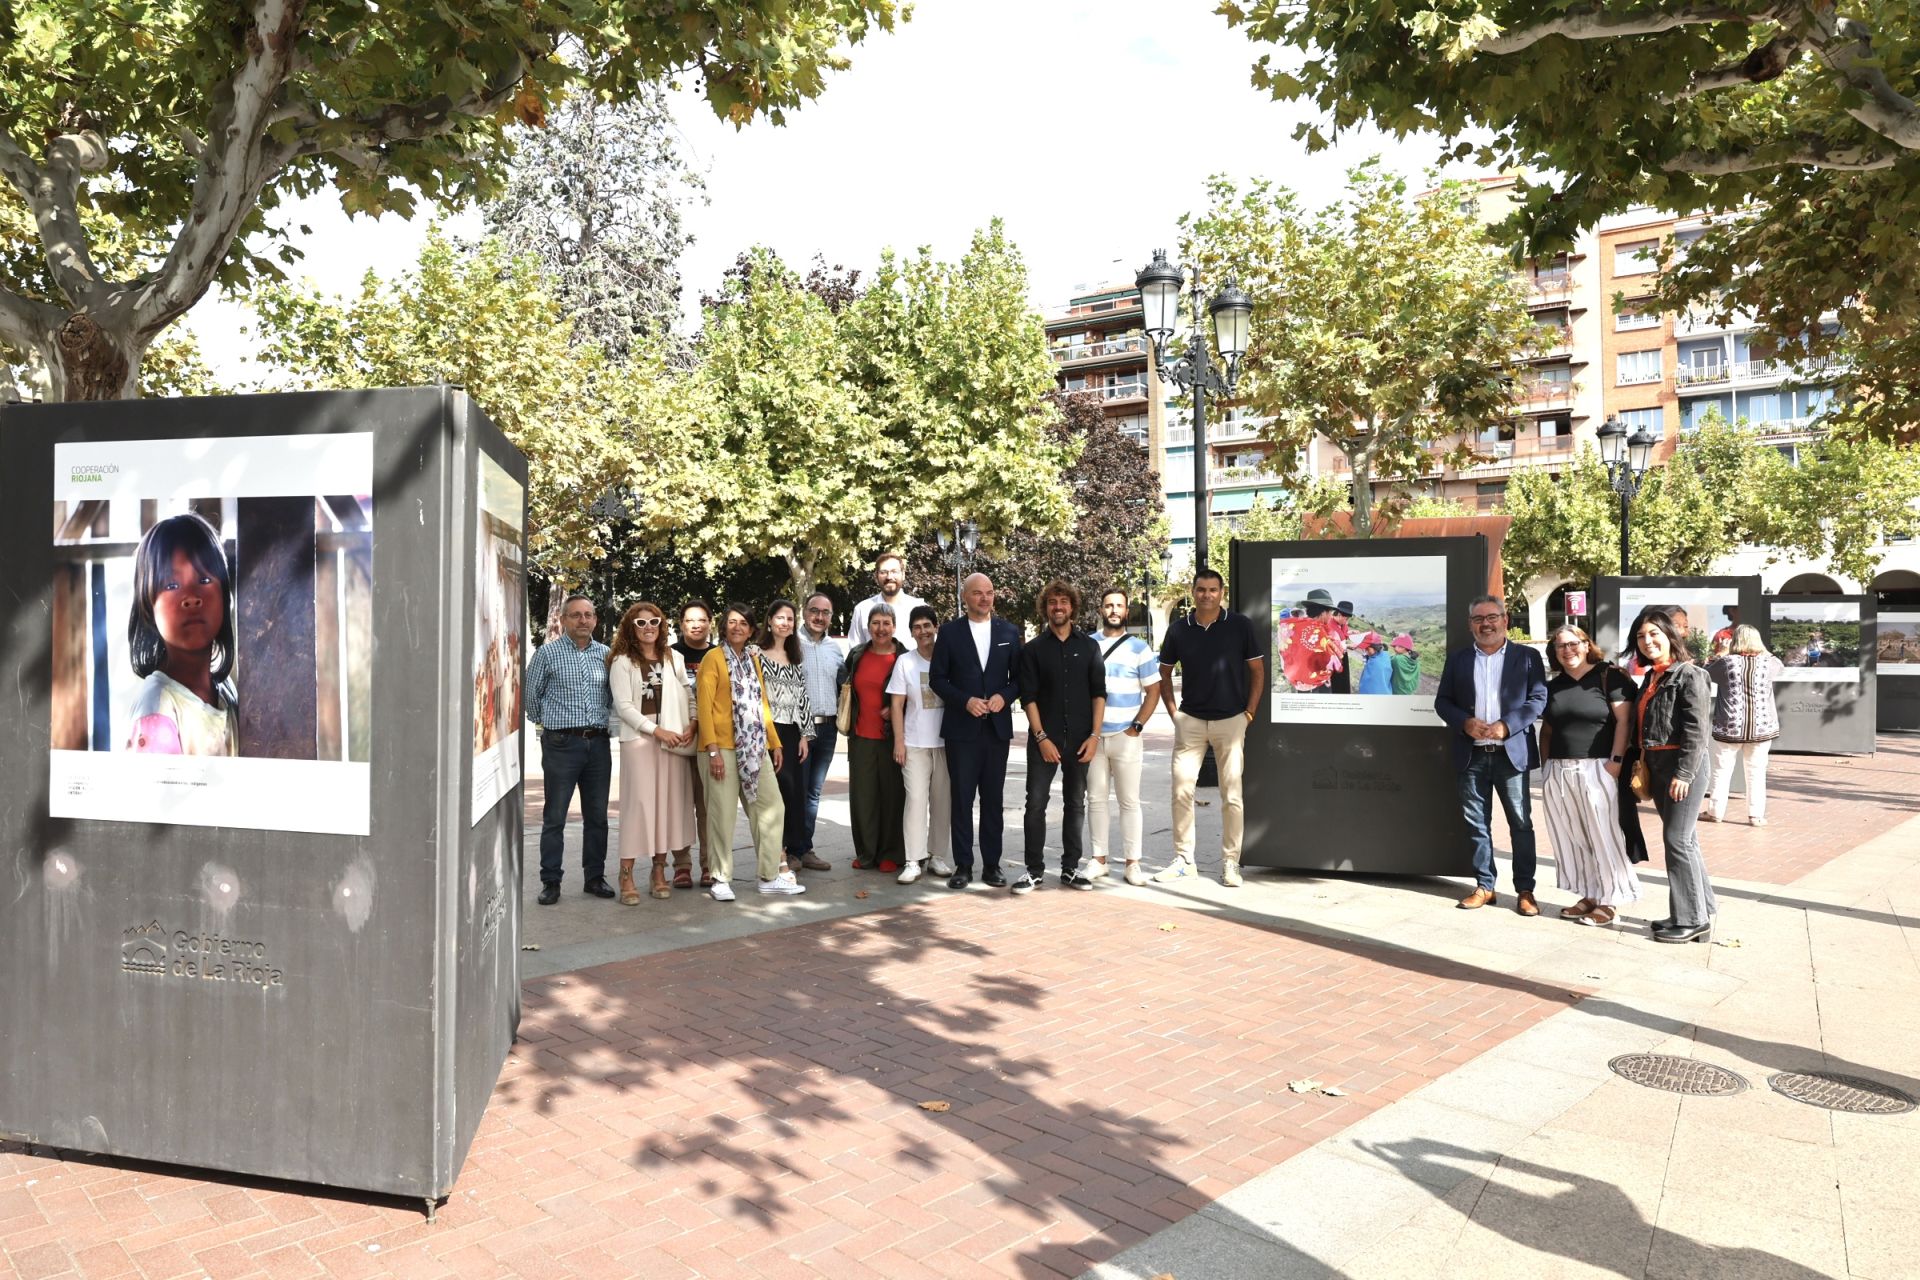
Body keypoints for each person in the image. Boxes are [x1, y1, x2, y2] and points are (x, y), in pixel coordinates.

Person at [1434, 594, 1549, 915]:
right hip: (1471, 755)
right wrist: (1464, 722)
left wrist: (1507, 726)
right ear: (1471, 625)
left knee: (1521, 824)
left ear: (1505, 619)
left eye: (1492, 617)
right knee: (1476, 824)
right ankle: (1485, 886)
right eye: (1478, 619)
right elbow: (1442, 702)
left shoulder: (1527, 657)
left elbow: (1538, 699)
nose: (1486, 624)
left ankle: (1525, 890)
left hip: (1510, 755)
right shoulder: (1457, 659)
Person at [1155, 567, 1265, 887]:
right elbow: (1163, 673)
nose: (1207, 595)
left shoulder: (1239, 626)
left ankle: (1231, 862)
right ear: (1193, 593)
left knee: (1232, 795)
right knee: (1181, 790)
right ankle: (1184, 860)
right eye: (1201, 589)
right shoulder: (1178, 630)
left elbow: (1257, 671)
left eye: (1213, 590)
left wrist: (1249, 714)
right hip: (1190, 721)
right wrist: (1175, 713)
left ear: (1222, 593)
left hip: (1231, 721)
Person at [696, 604, 806, 901]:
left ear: (751, 629)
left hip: (754, 746)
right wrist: (712, 751)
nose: (737, 628)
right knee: (722, 815)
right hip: (721, 748)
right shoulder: (713, 659)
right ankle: (720, 878)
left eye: (743, 623)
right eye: (732, 622)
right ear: (724, 626)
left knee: (772, 808)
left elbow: (761, 705)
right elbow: (704, 709)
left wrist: (775, 742)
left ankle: (769, 876)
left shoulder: (752, 659)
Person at [1538, 625, 1638, 928]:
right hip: (1559, 770)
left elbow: (1625, 721)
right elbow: (1549, 730)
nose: (1567, 650)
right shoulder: (1554, 686)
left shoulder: (1610, 676)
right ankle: (1591, 894)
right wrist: (1546, 768)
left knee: (1603, 834)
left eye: (1573, 644)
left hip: (1598, 768)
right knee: (1574, 836)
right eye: (1560, 646)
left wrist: (1616, 762)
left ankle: (1612, 899)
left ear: (1586, 645)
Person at [1626, 610, 1716, 942]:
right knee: (1685, 840)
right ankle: (1698, 909)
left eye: (1653, 634)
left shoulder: (1689, 675)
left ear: (1669, 636)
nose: (1647, 641)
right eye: (1640, 636)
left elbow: (1697, 730)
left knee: (1677, 840)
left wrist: (1685, 773)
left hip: (1682, 766)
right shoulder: (1654, 677)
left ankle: (1693, 920)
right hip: (1659, 766)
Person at [930, 572, 1023, 891]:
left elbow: (1020, 680)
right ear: (965, 597)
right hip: (961, 728)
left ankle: (993, 865)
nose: (985, 598)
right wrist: (965, 701)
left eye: (990, 592)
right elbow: (937, 679)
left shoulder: (1009, 631)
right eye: (978, 593)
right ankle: (963, 865)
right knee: (961, 799)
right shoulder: (950, 633)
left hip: (996, 730)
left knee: (993, 800)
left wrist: (1004, 696)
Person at [1016, 581, 1107, 893]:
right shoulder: (1033, 650)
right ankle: (1034, 870)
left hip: (1081, 739)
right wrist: (1041, 737)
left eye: (1063, 601)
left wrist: (1095, 736)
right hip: (1045, 739)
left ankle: (1070, 868)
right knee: (1035, 804)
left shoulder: (1090, 647)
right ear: (1045, 608)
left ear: (1072, 607)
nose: (1058, 607)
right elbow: (1027, 697)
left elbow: (1099, 694)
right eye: (1052, 602)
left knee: (1075, 803)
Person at [525, 594, 615, 905]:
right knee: (555, 817)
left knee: (597, 817)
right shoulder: (547, 655)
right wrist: (554, 726)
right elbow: (531, 699)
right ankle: (551, 880)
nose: (583, 620)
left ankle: (594, 877)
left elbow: (612, 698)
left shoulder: (606, 655)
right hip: (561, 744)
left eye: (588, 615)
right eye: (576, 615)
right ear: (563, 619)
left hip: (598, 745)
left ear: (595, 620)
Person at [125, 512, 238, 756]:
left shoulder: (227, 692)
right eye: (172, 585)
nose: (191, 598)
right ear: (148, 606)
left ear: (225, 596)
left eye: (205, 579)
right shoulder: (157, 706)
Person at [607, 602, 695, 903]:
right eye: (640, 623)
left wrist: (693, 725)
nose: (648, 628)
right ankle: (626, 874)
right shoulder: (621, 661)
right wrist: (656, 731)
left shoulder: (675, 658)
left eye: (653, 622)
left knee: (667, 806)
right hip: (641, 741)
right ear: (631, 627)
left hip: (674, 739)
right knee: (639, 807)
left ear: (662, 625)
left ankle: (659, 871)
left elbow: (688, 693)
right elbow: (624, 707)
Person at [1087, 586, 1162, 885]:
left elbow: (1153, 690)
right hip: (1094, 737)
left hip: (1125, 736)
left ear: (1126, 611)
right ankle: (1098, 859)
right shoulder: (1088, 644)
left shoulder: (1139, 648)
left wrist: (1138, 726)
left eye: (1119, 605)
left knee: (1129, 802)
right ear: (1101, 610)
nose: (1114, 610)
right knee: (1095, 799)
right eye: (1108, 605)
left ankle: (1133, 863)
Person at [887, 604, 954, 884]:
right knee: (915, 800)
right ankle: (913, 859)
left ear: (936, 627)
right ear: (911, 632)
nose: (923, 631)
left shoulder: (949, 658)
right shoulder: (906, 662)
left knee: (942, 801)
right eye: (917, 627)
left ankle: (937, 855)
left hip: (946, 743)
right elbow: (896, 704)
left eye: (928, 625)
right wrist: (899, 742)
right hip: (914, 743)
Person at [844, 603, 908, 872]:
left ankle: (891, 853)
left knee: (893, 796)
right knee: (863, 797)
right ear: (868, 626)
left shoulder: (904, 657)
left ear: (894, 626)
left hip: (893, 736)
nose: (880, 629)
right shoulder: (857, 654)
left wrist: (896, 707)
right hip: (861, 735)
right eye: (875, 623)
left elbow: (914, 692)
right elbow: (845, 684)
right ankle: (867, 852)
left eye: (886, 623)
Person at [756, 600, 816, 870]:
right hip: (767, 730)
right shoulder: (755, 654)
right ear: (769, 621)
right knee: (773, 792)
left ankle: (793, 851)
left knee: (793, 793)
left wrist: (805, 735)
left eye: (790, 619)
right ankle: (774, 851)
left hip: (792, 732)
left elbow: (803, 698)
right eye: (779, 617)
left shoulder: (795, 658)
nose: (785, 623)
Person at [1706, 624, 1782, 827]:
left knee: (1721, 770)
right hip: (1761, 727)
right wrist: (1763, 651)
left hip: (1729, 726)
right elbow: (1780, 665)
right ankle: (1756, 816)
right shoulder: (1769, 663)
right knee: (1756, 771)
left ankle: (1715, 812)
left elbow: (1706, 672)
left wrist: (1720, 653)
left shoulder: (1726, 663)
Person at [794, 593, 845, 870]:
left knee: (813, 792)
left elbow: (844, 686)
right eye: (814, 610)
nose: (819, 617)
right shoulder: (790, 644)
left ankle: (806, 849)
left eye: (825, 612)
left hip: (827, 730)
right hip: (799, 730)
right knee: (797, 791)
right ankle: (792, 850)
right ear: (804, 612)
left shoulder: (834, 650)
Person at [671, 600, 718, 889]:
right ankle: (681, 865)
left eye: (701, 619)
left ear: (710, 623)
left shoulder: (718, 655)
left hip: (709, 741)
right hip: (677, 738)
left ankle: (709, 865)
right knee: (678, 805)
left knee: (707, 806)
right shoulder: (670, 655)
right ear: (681, 624)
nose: (696, 624)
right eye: (690, 620)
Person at [848, 551, 927, 649]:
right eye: (883, 572)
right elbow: (855, 652)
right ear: (876, 576)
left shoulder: (920, 608)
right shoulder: (862, 610)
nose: (889, 577)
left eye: (894, 571)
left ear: (903, 575)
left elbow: (931, 650)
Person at [1280, 589, 1348, 693]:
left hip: (1299, 680)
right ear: (1323, 613)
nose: (1330, 616)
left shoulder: (1297, 626)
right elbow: (1332, 660)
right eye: (1330, 612)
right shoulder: (1319, 632)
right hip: (1316, 684)